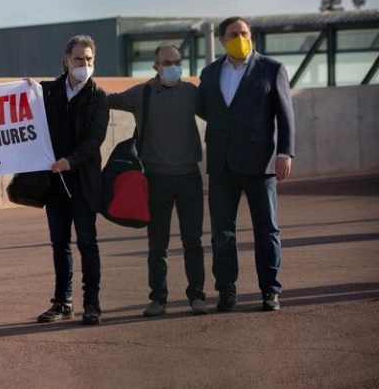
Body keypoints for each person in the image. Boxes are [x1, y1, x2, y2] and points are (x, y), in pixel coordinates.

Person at [198, 16, 295, 312]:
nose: (240, 37)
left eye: (244, 33)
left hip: (260, 163)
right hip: (222, 164)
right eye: (233, 34)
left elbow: (285, 114)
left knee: (266, 229)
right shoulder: (210, 72)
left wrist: (285, 153)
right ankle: (226, 291)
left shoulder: (272, 69)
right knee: (222, 232)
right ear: (222, 40)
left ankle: (270, 290)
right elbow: (206, 109)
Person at [107, 45, 206, 317]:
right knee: (157, 244)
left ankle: (197, 295)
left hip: (189, 177)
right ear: (156, 67)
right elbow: (105, 100)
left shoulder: (191, 93)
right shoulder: (143, 93)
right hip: (156, 178)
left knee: (193, 241)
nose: (173, 66)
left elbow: (220, 114)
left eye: (177, 61)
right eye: (167, 62)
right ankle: (158, 299)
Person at [38, 34, 109, 325]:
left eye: (89, 59)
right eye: (79, 59)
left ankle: (91, 303)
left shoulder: (98, 96)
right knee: (59, 243)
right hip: (54, 184)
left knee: (88, 243)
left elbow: (95, 141)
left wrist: (71, 161)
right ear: (66, 60)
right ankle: (62, 301)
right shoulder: (47, 92)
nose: (85, 64)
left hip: (83, 182)